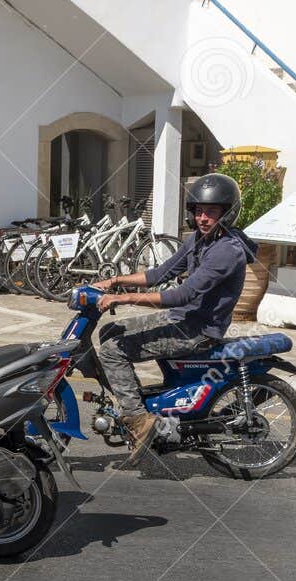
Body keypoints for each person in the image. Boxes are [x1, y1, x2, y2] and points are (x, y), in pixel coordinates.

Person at [89, 172, 257, 465]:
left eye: (212, 212)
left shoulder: (226, 252)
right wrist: (114, 280)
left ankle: (138, 420)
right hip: (183, 318)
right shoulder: (200, 239)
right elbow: (160, 273)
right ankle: (136, 401)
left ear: (227, 214)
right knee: (110, 330)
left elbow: (182, 294)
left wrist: (122, 298)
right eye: (199, 211)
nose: (203, 218)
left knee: (112, 350)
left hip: (196, 330)